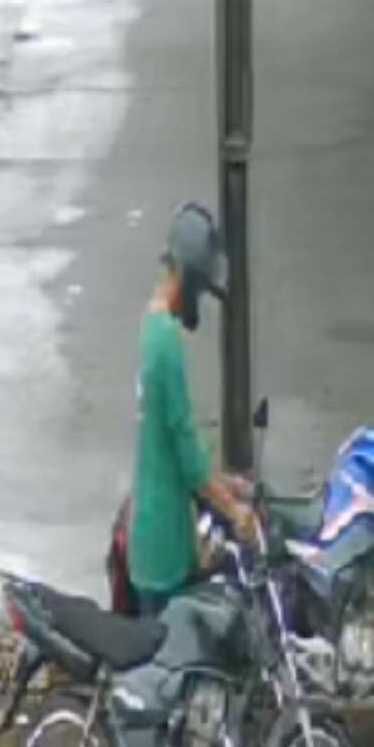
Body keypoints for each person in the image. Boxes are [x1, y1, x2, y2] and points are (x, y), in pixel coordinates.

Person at [126, 203, 257, 621]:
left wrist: (224, 483)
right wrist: (235, 510)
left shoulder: (152, 326)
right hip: (165, 543)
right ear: (188, 278)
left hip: (148, 529)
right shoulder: (166, 345)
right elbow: (186, 452)